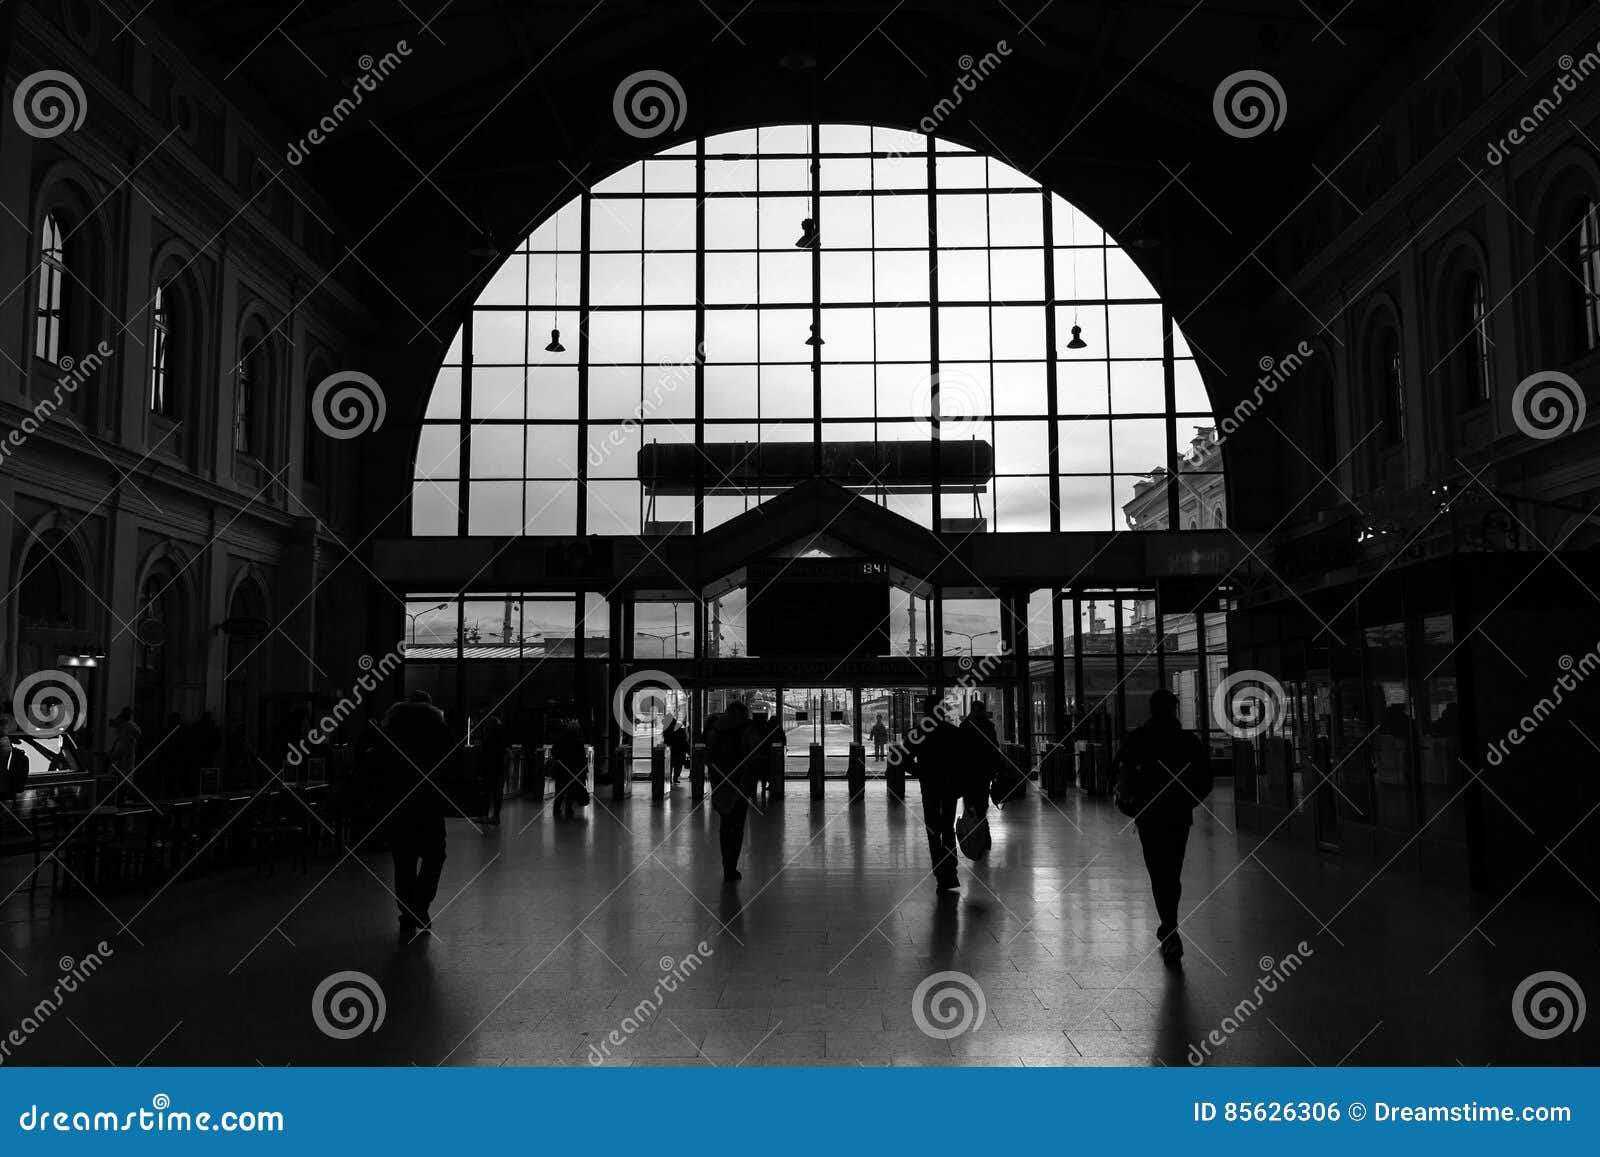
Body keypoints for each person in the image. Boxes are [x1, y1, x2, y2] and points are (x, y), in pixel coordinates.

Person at [1113, 688, 1212, 967]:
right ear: (1174, 709)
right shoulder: (1187, 741)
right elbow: (1205, 778)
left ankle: (1169, 928)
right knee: (1172, 872)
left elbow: (1118, 769)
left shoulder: (1140, 739)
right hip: (1178, 815)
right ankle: (1170, 927)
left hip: (1149, 816)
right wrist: (1188, 801)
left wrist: (1133, 805)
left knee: (1158, 872)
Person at [377, 690, 456, 944]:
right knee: (435, 856)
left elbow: (380, 769)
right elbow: (451, 766)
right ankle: (420, 905)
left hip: (399, 805)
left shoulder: (391, 730)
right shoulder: (439, 730)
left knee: (404, 862)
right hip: (429, 805)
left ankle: (407, 914)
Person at [913, 695, 964, 894]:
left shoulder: (919, 733)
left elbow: (903, 759)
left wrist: (921, 772)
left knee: (933, 831)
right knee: (948, 829)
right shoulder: (953, 732)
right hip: (950, 786)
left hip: (930, 787)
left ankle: (941, 874)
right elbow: (963, 761)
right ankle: (950, 871)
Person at [707, 700, 759, 883]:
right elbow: (754, 755)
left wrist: (714, 778)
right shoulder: (747, 728)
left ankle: (725, 863)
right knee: (737, 826)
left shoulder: (715, 728)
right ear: (743, 713)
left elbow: (708, 756)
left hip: (720, 783)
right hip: (740, 783)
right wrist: (752, 782)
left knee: (725, 824)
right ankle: (731, 866)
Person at [960, 700, 999, 812]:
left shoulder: (965, 725)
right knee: (983, 796)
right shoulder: (989, 726)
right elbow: (994, 746)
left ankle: (971, 816)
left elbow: (960, 747)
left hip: (969, 767)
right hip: (984, 767)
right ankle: (981, 817)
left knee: (969, 796)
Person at [474, 703, 508, 823]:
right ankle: (495, 816)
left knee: (486, 791)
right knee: (496, 791)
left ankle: (485, 815)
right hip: (498, 765)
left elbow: (485, 747)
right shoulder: (501, 728)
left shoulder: (490, 728)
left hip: (490, 765)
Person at [549, 719, 588, 818]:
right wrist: (584, 770)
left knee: (559, 791)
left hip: (561, 769)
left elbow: (553, 752)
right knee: (571, 790)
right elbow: (581, 757)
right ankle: (568, 809)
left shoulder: (560, 738)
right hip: (573, 770)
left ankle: (556, 809)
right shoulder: (578, 740)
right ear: (576, 729)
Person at [663, 714, 690, 786]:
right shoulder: (680, 730)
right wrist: (687, 750)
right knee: (678, 765)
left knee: (670, 765)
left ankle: (669, 779)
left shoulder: (666, 731)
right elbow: (684, 741)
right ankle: (675, 778)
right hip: (680, 750)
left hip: (670, 751)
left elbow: (666, 741)